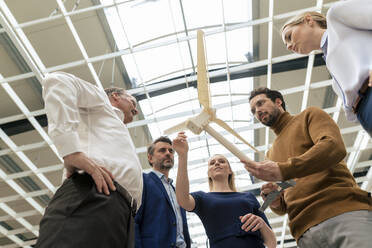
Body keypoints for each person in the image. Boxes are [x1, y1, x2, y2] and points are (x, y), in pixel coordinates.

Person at [244, 87, 372, 248]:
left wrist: (284, 169)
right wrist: (274, 200)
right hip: (305, 234)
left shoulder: (308, 116)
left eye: (260, 103)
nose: (258, 111)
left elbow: (333, 147)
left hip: (342, 212)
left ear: (278, 102)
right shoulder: (270, 155)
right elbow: (284, 201)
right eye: (254, 110)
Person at [36, 72, 143, 248]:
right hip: (93, 196)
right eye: (133, 102)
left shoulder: (115, 127)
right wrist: (70, 150)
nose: (136, 110)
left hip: (122, 216)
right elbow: (57, 81)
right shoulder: (102, 102)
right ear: (115, 96)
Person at [280, 0, 372, 136]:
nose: (288, 46)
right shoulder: (332, 68)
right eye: (286, 45)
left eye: (289, 36)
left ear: (308, 20)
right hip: (365, 116)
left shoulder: (336, 16)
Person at [174, 132, 276, 248]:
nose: (217, 163)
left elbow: (272, 243)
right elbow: (182, 200)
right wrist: (182, 156)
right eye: (212, 163)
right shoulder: (202, 198)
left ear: (230, 171)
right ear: (209, 174)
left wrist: (262, 224)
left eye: (222, 161)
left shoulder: (248, 197)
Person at [134, 136, 191, 248]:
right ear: (150, 158)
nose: (168, 153)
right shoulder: (143, 181)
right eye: (162, 150)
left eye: (171, 151)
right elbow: (134, 220)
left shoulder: (177, 190)